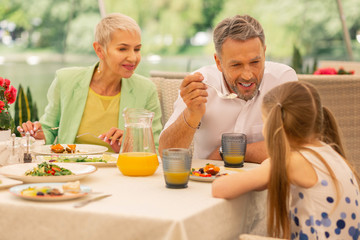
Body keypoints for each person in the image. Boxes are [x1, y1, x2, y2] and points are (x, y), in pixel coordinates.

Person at [212, 81, 360, 239]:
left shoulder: (292, 162)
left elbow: (219, 188)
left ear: (274, 126)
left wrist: (269, 166)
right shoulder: (328, 151)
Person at [158, 15, 297, 163]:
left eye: (255, 62)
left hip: (266, 182)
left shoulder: (282, 80)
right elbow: (166, 153)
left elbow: (297, 145)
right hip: (209, 182)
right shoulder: (199, 86)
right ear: (218, 62)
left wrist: (226, 152)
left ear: (264, 52)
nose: (248, 75)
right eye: (236, 65)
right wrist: (191, 115)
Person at [17, 13, 162, 153]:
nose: (133, 57)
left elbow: (155, 149)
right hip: (72, 169)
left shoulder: (146, 90)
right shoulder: (66, 80)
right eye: (123, 49)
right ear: (99, 50)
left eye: (137, 49)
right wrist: (38, 133)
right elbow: (49, 129)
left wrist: (127, 147)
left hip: (120, 173)